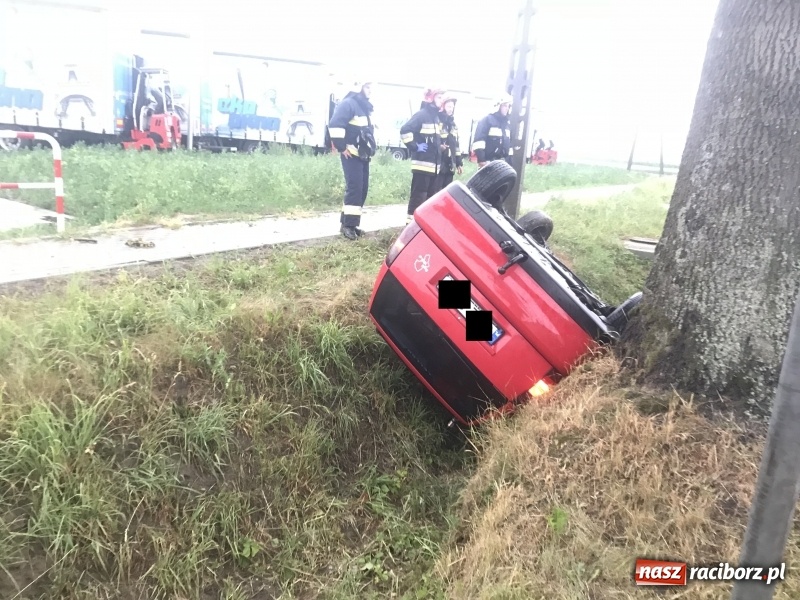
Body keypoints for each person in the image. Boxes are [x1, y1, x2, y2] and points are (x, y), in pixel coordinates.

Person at [326, 80, 377, 240]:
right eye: (367, 87)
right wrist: (342, 147)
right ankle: (348, 226)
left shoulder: (362, 106)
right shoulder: (348, 104)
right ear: (358, 87)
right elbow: (335, 125)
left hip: (362, 155)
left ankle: (350, 224)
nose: (370, 90)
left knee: (361, 189)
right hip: (351, 154)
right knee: (354, 188)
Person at [400, 88, 446, 224]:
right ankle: (410, 225)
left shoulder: (436, 117)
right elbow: (405, 130)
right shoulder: (422, 115)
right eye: (439, 98)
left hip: (434, 167)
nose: (441, 100)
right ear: (430, 99)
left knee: (429, 199)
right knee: (418, 197)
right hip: (422, 165)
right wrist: (415, 146)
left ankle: (423, 225)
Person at [471, 94, 513, 167]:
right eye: (505, 105)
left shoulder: (507, 124)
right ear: (498, 106)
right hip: (488, 162)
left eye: (509, 106)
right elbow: (479, 141)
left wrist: (510, 162)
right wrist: (482, 160)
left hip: (504, 164)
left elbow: (509, 145)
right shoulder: (487, 120)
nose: (507, 108)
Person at [435, 94, 463, 192]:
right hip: (439, 162)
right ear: (443, 107)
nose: (451, 109)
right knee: (436, 192)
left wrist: (459, 163)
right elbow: (433, 140)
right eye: (449, 106)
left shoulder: (453, 125)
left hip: (450, 164)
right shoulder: (437, 121)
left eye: (452, 107)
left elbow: (456, 146)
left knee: (447, 191)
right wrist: (440, 147)